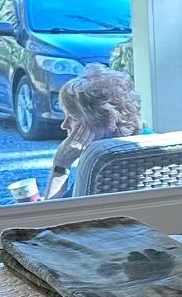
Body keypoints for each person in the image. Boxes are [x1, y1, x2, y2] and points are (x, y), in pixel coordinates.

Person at [44, 64, 142, 201]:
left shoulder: (99, 161)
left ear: (104, 121)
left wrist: (61, 164)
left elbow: (51, 217)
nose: (64, 125)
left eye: (73, 118)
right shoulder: (150, 142)